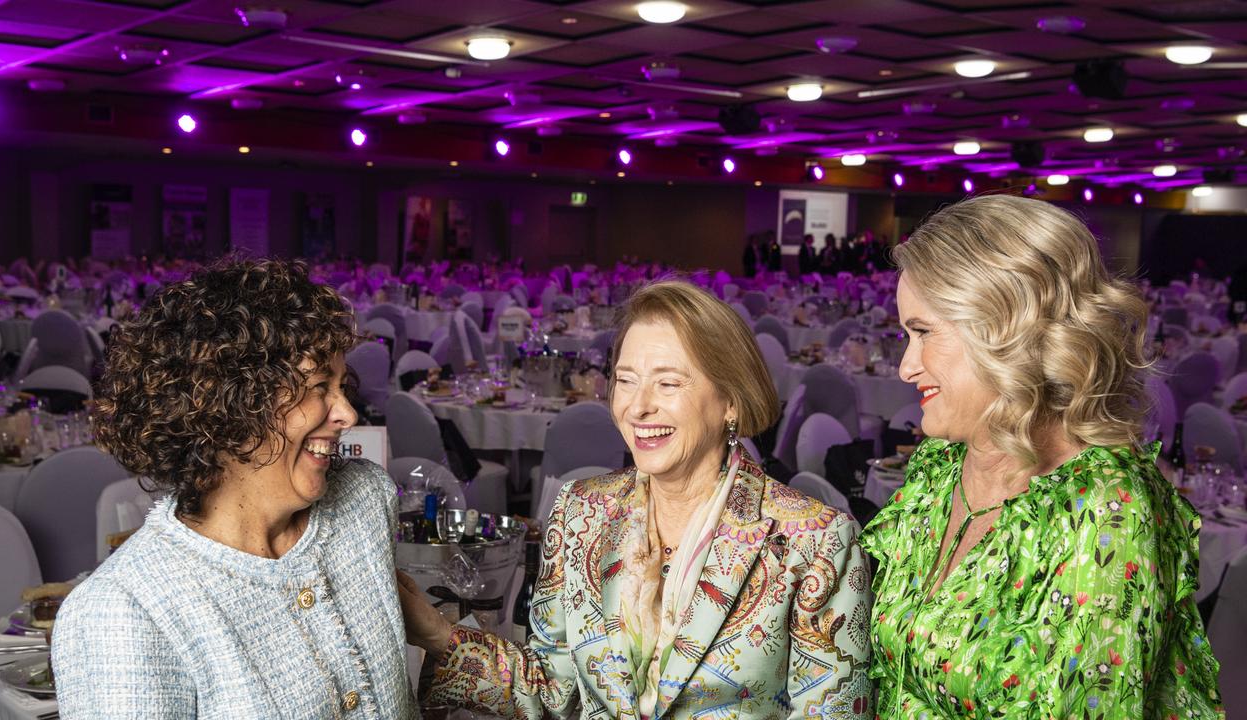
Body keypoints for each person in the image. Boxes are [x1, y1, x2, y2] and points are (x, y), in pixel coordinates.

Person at [400, 280, 872, 718]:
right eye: (625, 380)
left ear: (731, 400)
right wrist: (437, 635)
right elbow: (554, 689)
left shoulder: (815, 541)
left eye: (668, 382)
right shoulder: (581, 511)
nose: (638, 405)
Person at [862, 195, 1223, 717]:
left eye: (923, 334)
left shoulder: (1105, 511)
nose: (905, 366)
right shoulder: (941, 465)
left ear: (1008, 332)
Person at [51, 258, 419, 718]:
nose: (347, 413)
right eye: (320, 385)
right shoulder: (123, 612)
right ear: (230, 407)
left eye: (342, 385)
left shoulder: (366, 500)